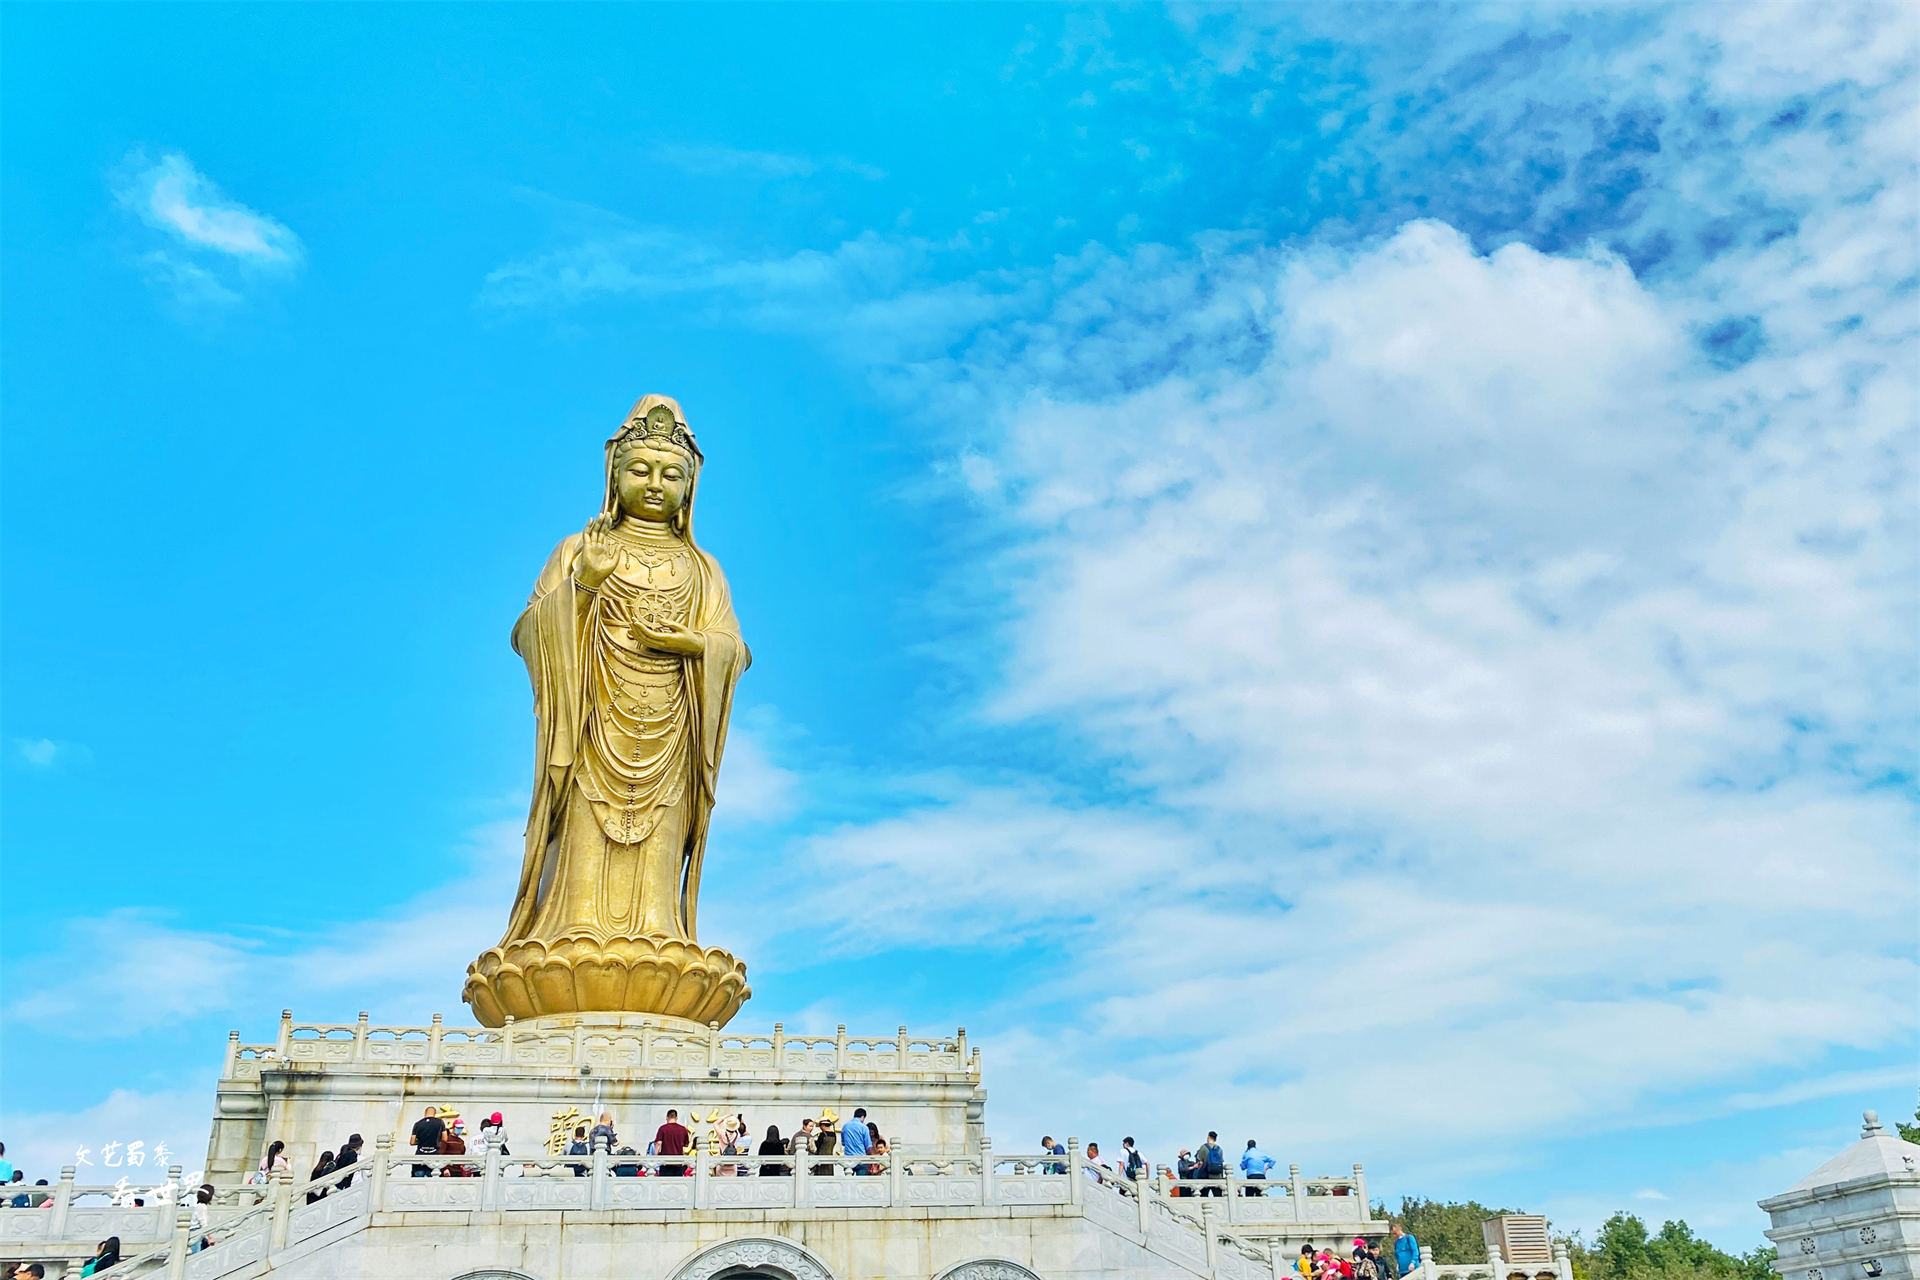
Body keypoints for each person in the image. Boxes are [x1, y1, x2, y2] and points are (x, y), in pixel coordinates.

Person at [654, 1108, 692, 1177]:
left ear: (667, 1118)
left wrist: (655, 1156)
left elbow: (658, 1143)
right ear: (676, 1118)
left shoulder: (663, 1129)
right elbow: (686, 1145)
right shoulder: (683, 1129)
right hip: (678, 1162)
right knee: (677, 1184)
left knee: (664, 1184)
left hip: (665, 1162)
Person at [410, 1107, 446, 1177]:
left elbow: (412, 1142)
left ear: (425, 1113)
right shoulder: (440, 1122)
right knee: (433, 1177)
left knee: (418, 1177)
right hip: (434, 1153)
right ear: (435, 1114)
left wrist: (420, 1141)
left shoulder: (417, 1124)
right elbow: (445, 1138)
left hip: (420, 1153)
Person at [839, 1107, 873, 1173]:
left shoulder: (845, 1126)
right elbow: (868, 1146)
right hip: (861, 1158)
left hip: (848, 1159)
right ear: (863, 1116)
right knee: (861, 1181)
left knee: (848, 1181)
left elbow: (843, 1143)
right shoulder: (864, 1127)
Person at [1197, 1131, 1225, 1196]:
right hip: (1218, 1176)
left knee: (1204, 1196)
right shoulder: (1220, 1149)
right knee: (1218, 1197)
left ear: (1208, 1137)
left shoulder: (1204, 1147)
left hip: (1206, 1175)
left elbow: (1200, 1162)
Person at [810, 1112, 837, 1177]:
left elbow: (818, 1145)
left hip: (821, 1158)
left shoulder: (822, 1135)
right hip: (830, 1158)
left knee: (821, 1175)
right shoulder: (834, 1134)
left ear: (823, 1125)